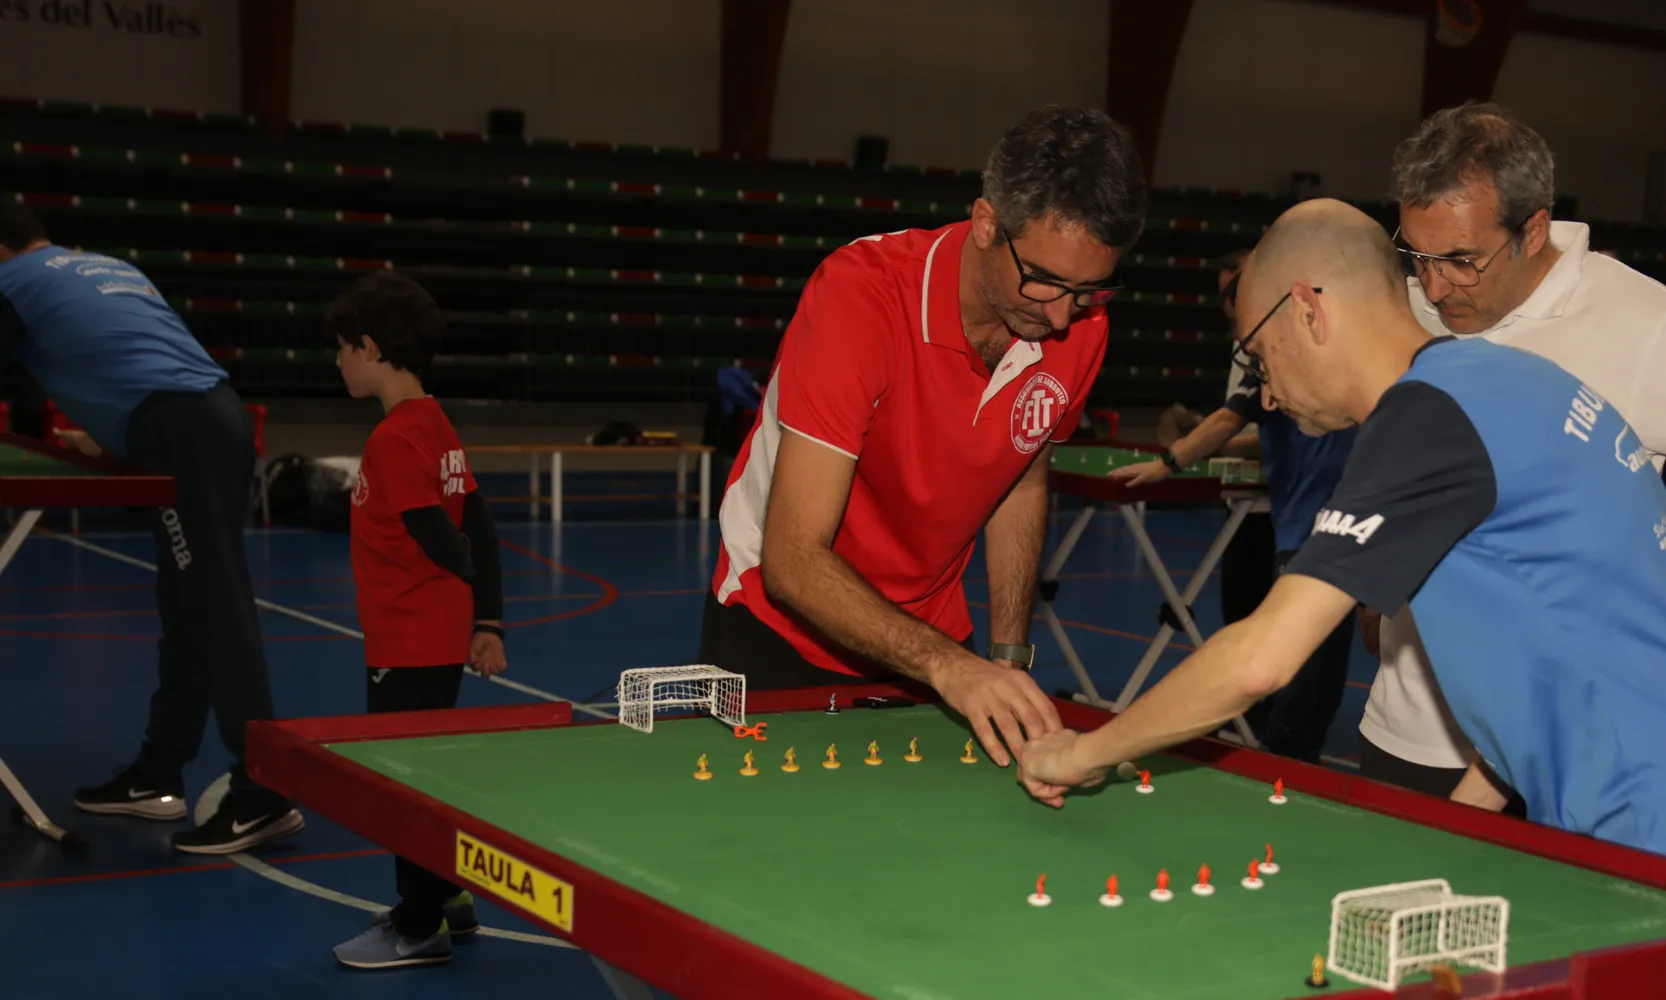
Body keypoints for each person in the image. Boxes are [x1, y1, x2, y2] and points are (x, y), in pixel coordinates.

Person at [1017, 199, 1666, 858]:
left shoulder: (1428, 422)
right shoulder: (1505, 379)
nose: (1266, 396)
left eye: (1262, 357)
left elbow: (1260, 663)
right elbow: (1555, 660)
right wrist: (1448, 835)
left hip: (1639, 823)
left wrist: (1082, 752)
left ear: (1306, 309)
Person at [697, 105, 1146, 766]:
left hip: (934, 647)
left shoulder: (1082, 325)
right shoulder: (861, 298)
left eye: (1088, 291)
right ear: (987, 224)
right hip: (777, 632)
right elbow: (792, 560)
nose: (1060, 317)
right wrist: (951, 667)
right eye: (1044, 281)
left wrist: (1007, 658)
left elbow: (1020, 473)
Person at [1360, 102, 1666, 802]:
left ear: (1533, 229)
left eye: (1462, 261)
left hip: (1575, 750)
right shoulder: (1405, 307)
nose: (1435, 288)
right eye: (1417, 255)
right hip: (1407, 731)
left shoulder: (1646, 326)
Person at [0, 202, 301, 854]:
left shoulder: (13, 282)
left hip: (177, 432)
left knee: (216, 607)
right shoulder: (102, 265)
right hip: (211, 415)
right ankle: (157, 775)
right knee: (190, 604)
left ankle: (265, 793)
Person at [324, 272, 508, 968]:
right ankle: (450, 899)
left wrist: (458, 585)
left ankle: (418, 925)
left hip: (407, 641)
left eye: (343, 349)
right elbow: (481, 529)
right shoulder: (435, 422)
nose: (338, 362)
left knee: (404, 785)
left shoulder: (395, 440)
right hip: (431, 638)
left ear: (370, 348)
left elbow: (448, 538)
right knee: (428, 774)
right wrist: (484, 619)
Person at [1111, 262, 1358, 765]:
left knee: (1309, 669)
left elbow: (1230, 418)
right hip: (1327, 530)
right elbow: (1246, 424)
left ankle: (1288, 762)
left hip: (1326, 532)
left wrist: (1169, 461)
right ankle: (1290, 761)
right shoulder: (1314, 356)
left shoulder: (1283, 354)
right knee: (1315, 667)